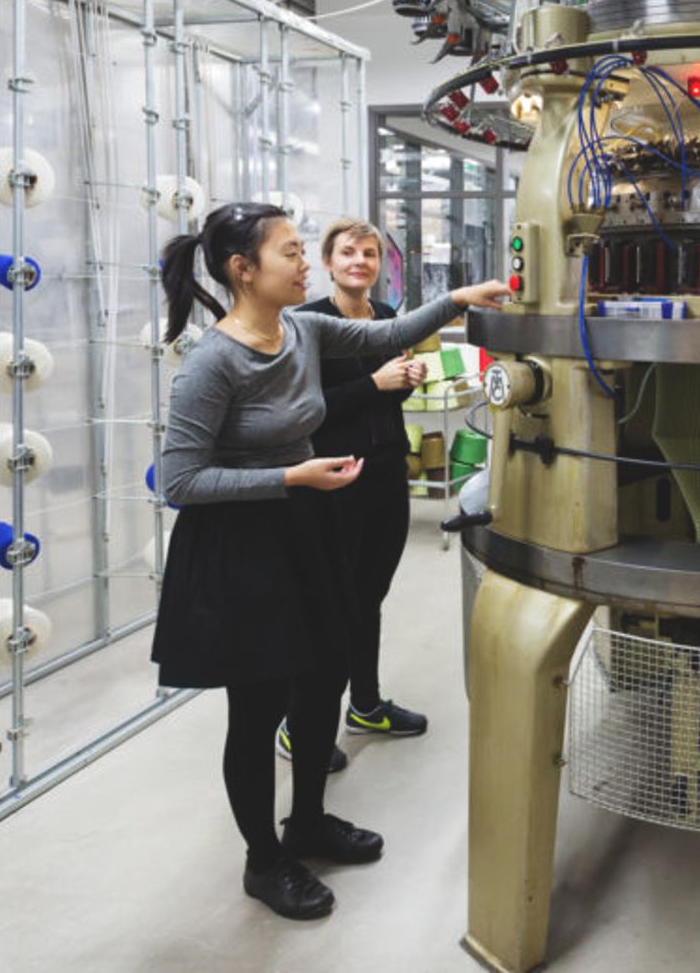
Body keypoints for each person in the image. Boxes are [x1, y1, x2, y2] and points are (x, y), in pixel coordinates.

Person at [151, 201, 507, 921]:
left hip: (303, 529)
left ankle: (308, 819)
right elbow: (180, 481)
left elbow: (389, 331)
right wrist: (289, 477)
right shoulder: (211, 362)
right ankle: (263, 858)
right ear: (241, 269)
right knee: (257, 710)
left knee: (322, 681)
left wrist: (460, 299)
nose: (304, 262)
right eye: (290, 251)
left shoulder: (302, 330)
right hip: (242, 545)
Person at [276, 219, 428, 774]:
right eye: (348, 253)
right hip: (333, 477)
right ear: (329, 262)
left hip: (387, 473)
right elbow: (303, 409)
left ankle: (364, 703)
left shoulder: (385, 319)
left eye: (369, 253)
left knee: (369, 596)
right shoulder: (307, 324)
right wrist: (374, 385)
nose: (360, 261)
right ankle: (299, 722)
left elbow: (386, 400)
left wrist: (405, 380)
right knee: (330, 604)